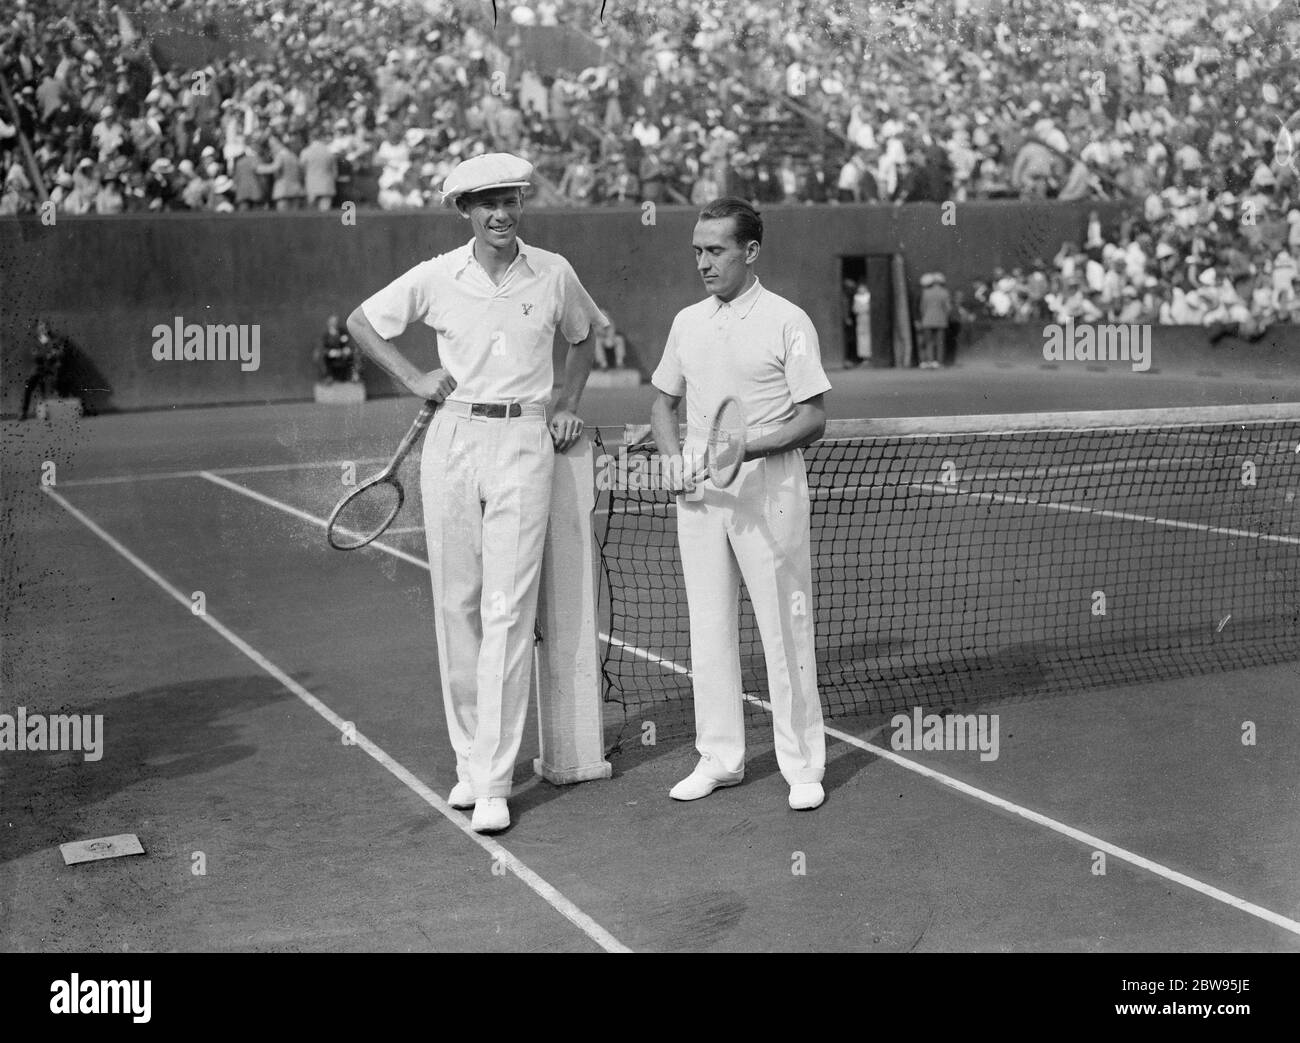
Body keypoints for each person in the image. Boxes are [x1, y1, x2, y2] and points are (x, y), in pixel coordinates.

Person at [346, 153, 608, 834]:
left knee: (506, 609)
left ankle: (494, 778)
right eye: (486, 202)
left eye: (511, 200)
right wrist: (411, 377)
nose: (501, 213)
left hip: (525, 443)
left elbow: (586, 337)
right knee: (457, 604)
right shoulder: (437, 275)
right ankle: (471, 762)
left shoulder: (553, 271)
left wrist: (565, 401)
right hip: (452, 444)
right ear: (464, 210)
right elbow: (362, 323)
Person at [649, 197, 830, 812]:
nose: (703, 262)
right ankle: (719, 759)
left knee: (785, 628)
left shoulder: (788, 321)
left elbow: (813, 419)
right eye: (697, 250)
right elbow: (661, 405)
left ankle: (803, 766)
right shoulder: (686, 322)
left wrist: (741, 446)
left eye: (716, 250)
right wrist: (674, 457)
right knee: (708, 628)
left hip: (769, 488)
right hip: (700, 497)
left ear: (750, 251)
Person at [22, 320, 69, 420]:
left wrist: (54, 355)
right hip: (38, 369)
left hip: (51, 369)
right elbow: (35, 355)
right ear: (38, 329)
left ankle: (51, 411)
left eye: (46, 326)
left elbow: (60, 353)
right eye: (42, 327)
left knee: (53, 381)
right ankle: (24, 411)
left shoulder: (55, 340)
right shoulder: (34, 341)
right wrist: (48, 355)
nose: (44, 329)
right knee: (28, 386)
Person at [917, 272, 952, 369]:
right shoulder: (944, 292)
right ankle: (939, 362)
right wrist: (946, 316)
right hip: (941, 320)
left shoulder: (926, 292)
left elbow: (922, 307)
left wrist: (924, 317)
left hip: (927, 320)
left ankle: (930, 360)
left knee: (929, 342)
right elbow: (948, 308)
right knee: (940, 342)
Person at [315, 314, 359, 382]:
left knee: (355, 353)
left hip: (343, 354)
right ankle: (327, 376)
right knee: (320, 356)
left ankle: (354, 375)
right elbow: (321, 347)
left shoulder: (343, 332)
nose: (334, 324)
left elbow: (349, 342)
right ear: (328, 323)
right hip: (330, 356)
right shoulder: (325, 335)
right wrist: (330, 352)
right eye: (332, 322)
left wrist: (347, 349)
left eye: (335, 322)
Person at [851, 281, 872, 364]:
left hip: (867, 320)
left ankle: (869, 356)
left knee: (868, 337)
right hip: (860, 321)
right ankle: (864, 357)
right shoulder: (857, 298)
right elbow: (855, 309)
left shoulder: (869, 297)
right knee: (861, 338)